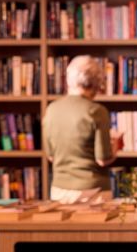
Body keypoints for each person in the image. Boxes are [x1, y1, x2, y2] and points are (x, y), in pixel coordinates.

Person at [43, 55, 123, 203]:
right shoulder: (97, 111)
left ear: (68, 79)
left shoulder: (52, 109)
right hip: (92, 191)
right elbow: (102, 159)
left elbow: (51, 156)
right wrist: (116, 144)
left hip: (59, 191)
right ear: (97, 83)